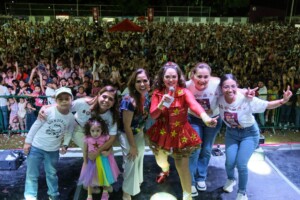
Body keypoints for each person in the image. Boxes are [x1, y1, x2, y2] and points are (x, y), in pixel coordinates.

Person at [146, 62, 218, 200]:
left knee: (182, 166)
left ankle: (187, 195)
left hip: (181, 133)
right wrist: (161, 104)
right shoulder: (157, 93)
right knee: (161, 161)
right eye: (167, 77)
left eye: (174, 76)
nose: (171, 80)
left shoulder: (185, 92)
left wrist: (205, 118)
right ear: (162, 78)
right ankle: (165, 170)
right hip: (161, 133)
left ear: (178, 78)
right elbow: (153, 115)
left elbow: (194, 105)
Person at [218, 74, 293, 200]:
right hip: (231, 133)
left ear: (237, 86)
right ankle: (231, 180)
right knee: (229, 162)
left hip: (249, 134)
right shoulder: (218, 98)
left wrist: (283, 101)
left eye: (233, 86)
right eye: (226, 87)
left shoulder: (246, 98)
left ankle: (242, 192)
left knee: (241, 164)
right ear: (221, 88)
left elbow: (267, 105)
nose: (230, 89)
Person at [23, 87, 75, 200]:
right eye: (60, 99)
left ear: (71, 100)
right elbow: (35, 126)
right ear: (56, 101)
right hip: (37, 147)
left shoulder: (71, 118)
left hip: (53, 150)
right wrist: (27, 142)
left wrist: (65, 144)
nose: (64, 101)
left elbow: (69, 132)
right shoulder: (48, 111)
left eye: (67, 98)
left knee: (51, 174)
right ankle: (30, 196)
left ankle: (53, 194)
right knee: (32, 174)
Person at [186, 63, 223, 196]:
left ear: (210, 76)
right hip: (194, 119)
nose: (202, 80)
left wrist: (247, 93)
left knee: (207, 149)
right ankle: (190, 181)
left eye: (206, 77)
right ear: (192, 75)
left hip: (213, 119)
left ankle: (201, 177)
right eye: (199, 76)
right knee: (195, 149)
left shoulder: (218, 83)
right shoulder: (186, 85)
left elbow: (233, 89)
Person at [118, 68, 151, 200]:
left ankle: (135, 182)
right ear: (133, 83)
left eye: (145, 80)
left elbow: (142, 118)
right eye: (138, 81)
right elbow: (126, 125)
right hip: (126, 133)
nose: (142, 84)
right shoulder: (128, 100)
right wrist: (132, 145)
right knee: (131, 158)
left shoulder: (146, 96)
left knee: (140, 154)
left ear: (149, 81)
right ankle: (126, 190)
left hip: (138, 131)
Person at [78, 116, 120, 200]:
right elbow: (85, 150)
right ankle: (89, 195)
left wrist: (108, 152)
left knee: (105, 175)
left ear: (102, 130)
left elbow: (110, 147)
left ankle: (105, 192)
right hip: (91, 161)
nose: (95, 133)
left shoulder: (105, 137)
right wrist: (85, 161)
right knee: (90, 177)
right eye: (92, 131)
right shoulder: (87, 139)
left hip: (104, 160)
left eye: (98, 130)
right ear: (89, 130)